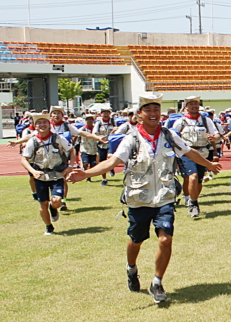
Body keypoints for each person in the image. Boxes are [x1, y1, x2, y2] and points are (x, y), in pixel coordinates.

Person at [67, 94, 221, 303]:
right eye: (148, 110)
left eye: (156, 109)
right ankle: (131, 268)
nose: (153, 114)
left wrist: (209, 164)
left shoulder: (168, 135)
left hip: (164, 197)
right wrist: (86, 173)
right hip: (139, 198)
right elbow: (113, 162)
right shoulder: (131, 139)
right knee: (136, 240)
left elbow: (188, 151)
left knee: (165, 239)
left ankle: (157, 282)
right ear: (139, 114)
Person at [20, 112, 72, 235]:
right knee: (42, 204)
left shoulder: (57, 138)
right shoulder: (32, 141)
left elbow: (71, 149)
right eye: (39, 123)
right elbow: (24, 159)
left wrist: (70, 166)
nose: (42, 125)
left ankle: (53, 208)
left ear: (49, 125)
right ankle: (49, 226)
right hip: (41, 176)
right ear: (35, 126)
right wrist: (33, 171)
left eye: (45, 122)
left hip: (56, 175)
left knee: (57, 200)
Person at [171, 96, 221, 219]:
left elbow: (217, 134)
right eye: (191, 104)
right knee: (191, 177)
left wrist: (214, 138)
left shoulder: (206, 120)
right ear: (186, 107)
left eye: (196, 103)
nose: (194, 106)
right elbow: (172, 137)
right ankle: (192, 203)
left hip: (203, 153)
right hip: (186, 153)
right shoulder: (180, 122)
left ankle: (192, 199)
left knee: (198, 179)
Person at [49, 105, 104, 210]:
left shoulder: (67, 126)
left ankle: (63, 201)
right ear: (51, 115)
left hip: (63, 157)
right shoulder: (47, 126)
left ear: (62, 115)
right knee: (50, 180)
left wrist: (97, 137)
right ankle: (54, 200)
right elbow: (33, 136)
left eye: (59, 113)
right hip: (48, 157)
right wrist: (18, 142)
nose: (56, 115)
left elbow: (82, 133)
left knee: (62, 179)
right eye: (54, 113)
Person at [92, 105, 115, 185]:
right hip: (101, 145)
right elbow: (94, 133)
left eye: (107, 112)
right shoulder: (98, 123)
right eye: (104, 112)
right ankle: (104, 179)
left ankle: (111, 168)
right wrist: (99, 137)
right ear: (101, 114)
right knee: (102, 162)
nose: (106, 114)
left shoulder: (113, 122)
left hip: (111, 144)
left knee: (111, 158)